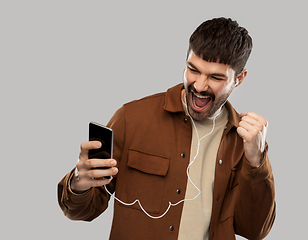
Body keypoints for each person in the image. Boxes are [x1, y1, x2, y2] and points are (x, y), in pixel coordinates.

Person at [58, 17, 276, 240]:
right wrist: (79, 183)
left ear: (239, 79)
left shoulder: (247, 142)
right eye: (193, 69)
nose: (200, 86)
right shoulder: (131, 119)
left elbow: (254, 230)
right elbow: (82, 211)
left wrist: (257, 160)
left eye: (216, 77)